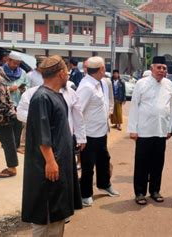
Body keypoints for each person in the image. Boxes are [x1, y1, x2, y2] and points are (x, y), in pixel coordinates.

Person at [22, 55, 76, 236]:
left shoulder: (56, 96)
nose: (68, 75)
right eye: (67, 72)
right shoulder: (41, 98)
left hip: (58, 164)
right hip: (48, 167)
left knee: (58, 212)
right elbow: (42, 134)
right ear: (61, 73)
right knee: (47, 213)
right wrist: (51, 162)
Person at [128, 56, 172, 205]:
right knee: (142, 163)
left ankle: (155, 190)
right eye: (159, 67)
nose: (161, 70)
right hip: (143, 131)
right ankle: (140, 192)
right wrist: (132, 129)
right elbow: (134, 106)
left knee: (157, 163)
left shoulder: (169, 84)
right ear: (152, 68)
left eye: (164, 68)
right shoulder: (141, 84)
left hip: (161, 131)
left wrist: (169, 128)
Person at [77, 56, 119, 207]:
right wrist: (80, 137)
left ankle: (104, 184)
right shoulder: (86, 87)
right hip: (88, 134)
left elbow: (107, 102)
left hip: (101, 131)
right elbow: (78, 112)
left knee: (104, 159)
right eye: (104, 67)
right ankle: (85, 193)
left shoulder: (102, 83)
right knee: (88, 165)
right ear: (101, 69)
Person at [0, 51, 29, 149]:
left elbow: (27, 85)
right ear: (8, 60)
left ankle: (15, 147)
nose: (16, 65)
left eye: (18, 63)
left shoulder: (22, 73)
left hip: (18, 104)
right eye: (14, 63)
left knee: (17, 127)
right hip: (4, 104)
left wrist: (23, 89)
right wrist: (9, 89)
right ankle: (5, 148)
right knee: (5, 127)